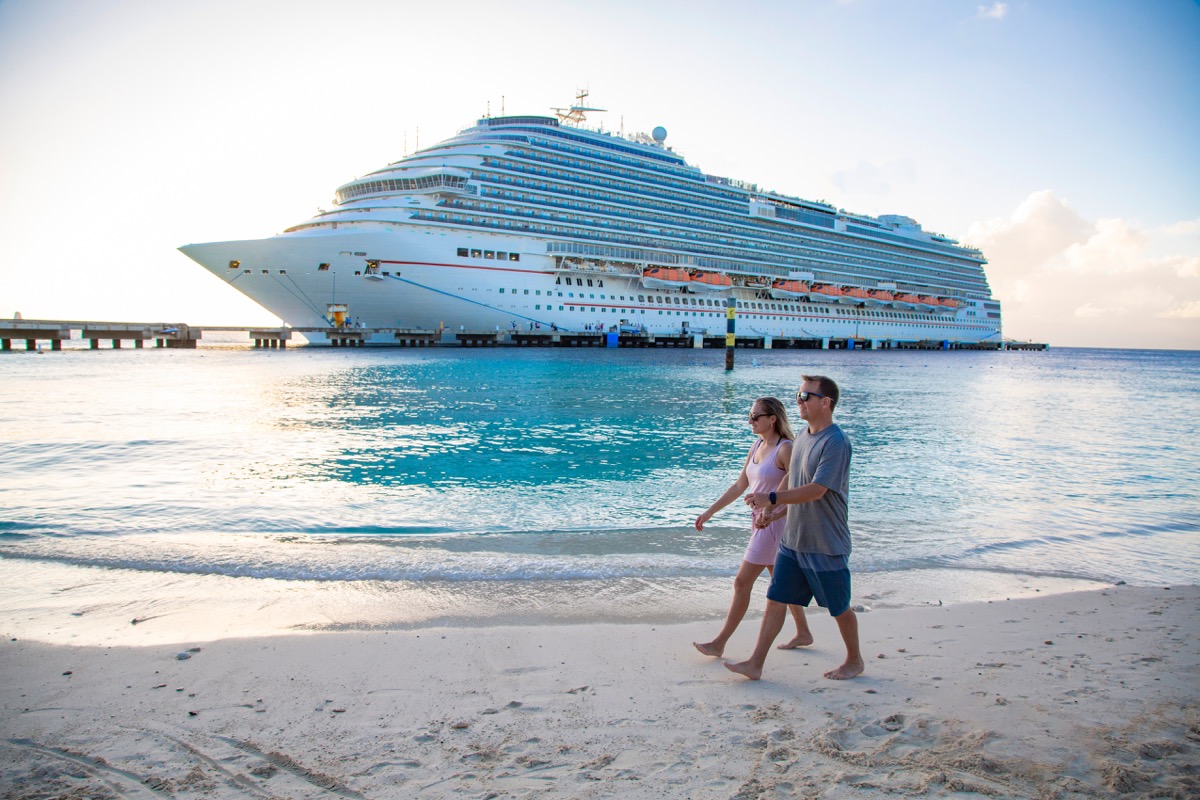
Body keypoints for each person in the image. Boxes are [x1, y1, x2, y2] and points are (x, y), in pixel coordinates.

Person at [725, 375, 863, 682]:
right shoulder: (801, 437)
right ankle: (755, 663)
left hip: (825, 540)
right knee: (776, 597)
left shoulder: (836, 442)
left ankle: (854, 660)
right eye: (798, 395)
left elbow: (816, 490)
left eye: (805, 396)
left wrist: (771, 497)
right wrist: (772, 512)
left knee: (839, 606)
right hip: (793, 539)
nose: (798, 401)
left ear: (825, 403)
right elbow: (792, 478)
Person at [693, 397, 812, 658]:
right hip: (759, 521)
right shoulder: (757, 445)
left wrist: (772, 511)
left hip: (774, 523)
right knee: (779, 580)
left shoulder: (786, 449)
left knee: (741, 582)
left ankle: (720, 642)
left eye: (756, 416)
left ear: (772, 419)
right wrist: (710, 511)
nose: (750, 420)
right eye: (750, 415)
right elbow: (740, 486)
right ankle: (803, 631)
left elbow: (796, 491)